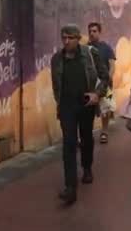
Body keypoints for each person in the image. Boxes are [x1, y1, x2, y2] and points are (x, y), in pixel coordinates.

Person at [50, 24, 109, 205]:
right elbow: (56, 84)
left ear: (78, 39)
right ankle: (70, 187)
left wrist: (96, 94)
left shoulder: (90, 54)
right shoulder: (57, 59)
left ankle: (87, 167)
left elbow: (105, 77)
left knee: (86, 138)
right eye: (64, 38)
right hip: (67, 107)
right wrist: (59, 104)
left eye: (70, 38)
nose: (66, 42)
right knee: (68, 143)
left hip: (85, 105)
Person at [87, 22, 116, 144]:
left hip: (105, 84)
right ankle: (87, 134)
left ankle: (104, 132)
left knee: (106, 109)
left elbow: (112, 65)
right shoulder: (85, 49)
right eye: (90, 31)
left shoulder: (106, 48)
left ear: (99, 32)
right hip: (90, 85)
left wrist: (107, 80)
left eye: (94, 31)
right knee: (89, 110)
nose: (92, 33)